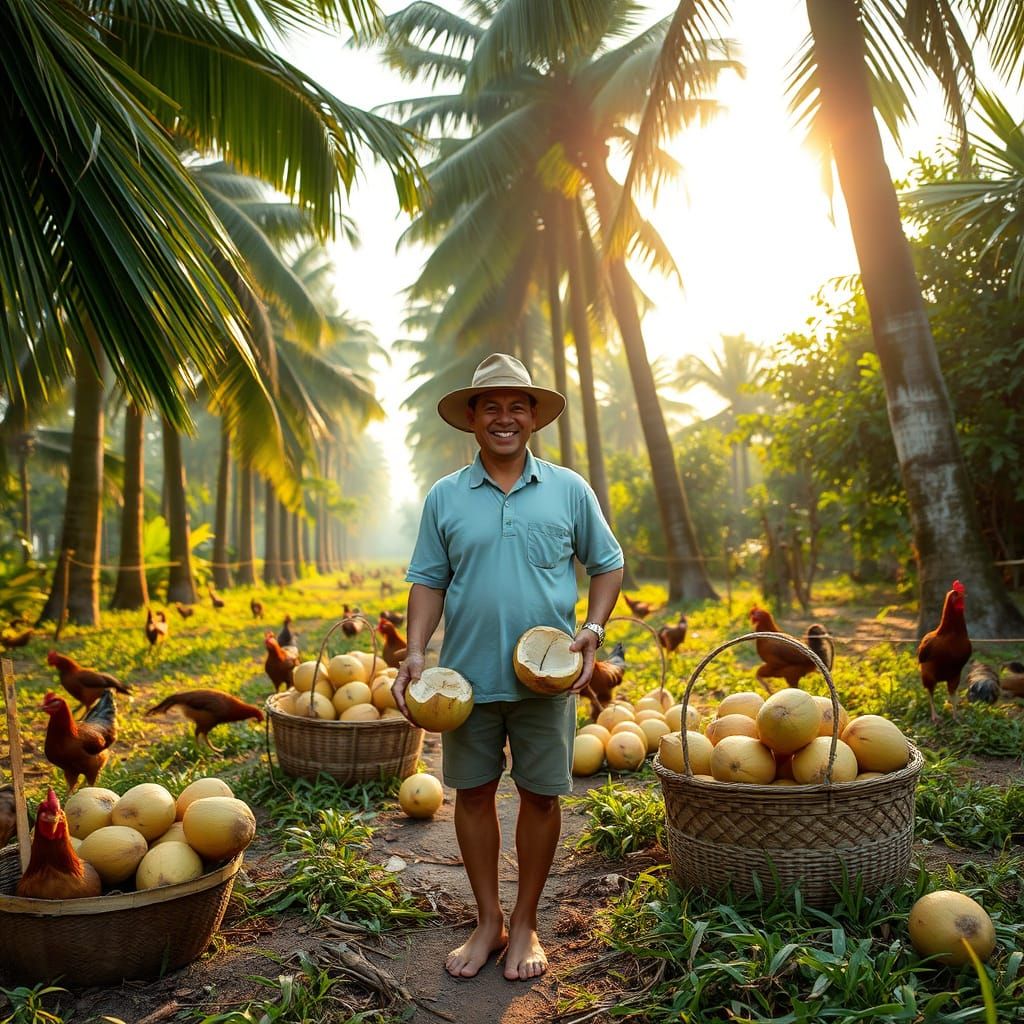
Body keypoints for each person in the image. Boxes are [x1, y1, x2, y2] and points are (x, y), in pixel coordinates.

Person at [392, 353, 624, 982]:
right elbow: (427, 581)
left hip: (548, 674)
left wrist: (593, 633)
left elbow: (608, 563)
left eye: (516, 406)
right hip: (462, 681)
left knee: (541, 795)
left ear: (533, 416)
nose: (504, 418)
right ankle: (488, 919)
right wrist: (416, 651)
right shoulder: (445, 497)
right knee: (471, 792)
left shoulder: (568, 490)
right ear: (472, 418)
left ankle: (526, 923)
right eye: (490, 406)